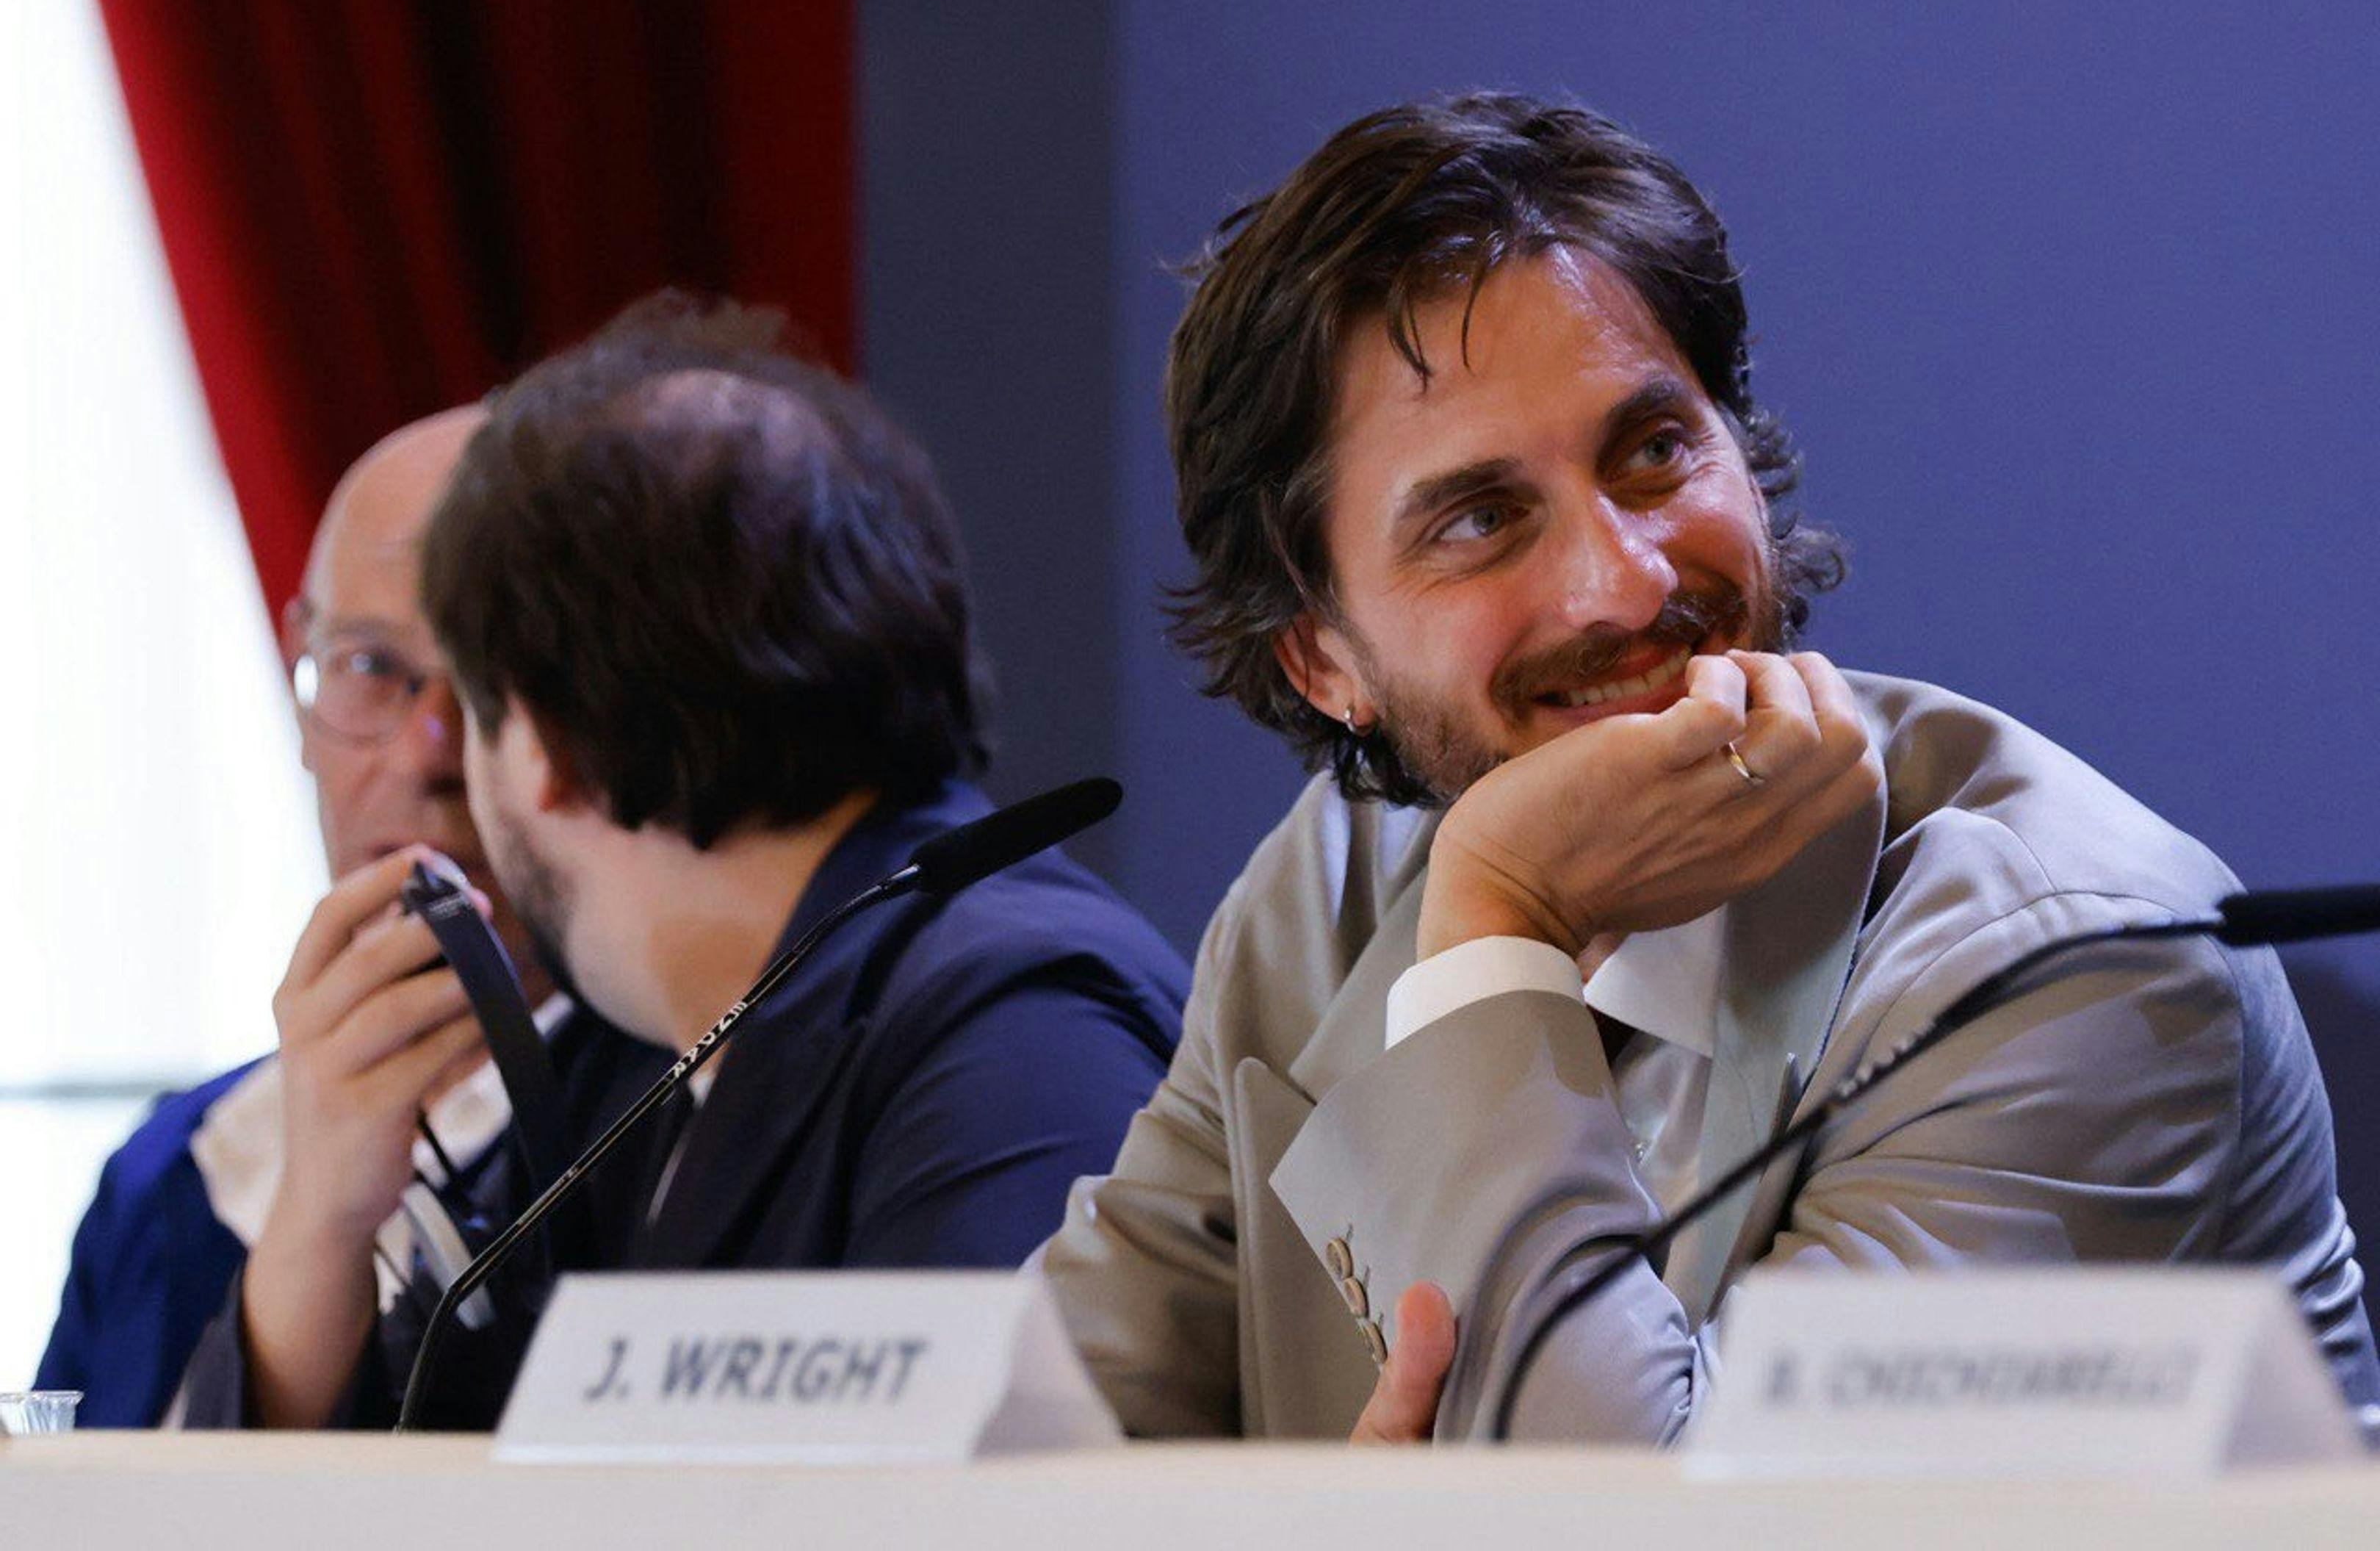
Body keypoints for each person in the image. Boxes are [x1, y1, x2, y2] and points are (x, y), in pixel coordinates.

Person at [1036, 93, 2380, 1442]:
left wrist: (1502, 923)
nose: (1622, 585)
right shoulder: (1322, 891)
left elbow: (1626, 1530)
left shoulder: (2071, 962)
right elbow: (1019, 1461)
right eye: (1484, 520)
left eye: (1654, 451)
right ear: (1321, 663)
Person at [181, 292, 1187, 1431]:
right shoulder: (643, 1059)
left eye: (470, 704)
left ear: (545, 749)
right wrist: (323, 1218)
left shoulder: (1020, 1033)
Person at [36, 406, 567, 1427]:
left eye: (493, 684)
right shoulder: (169, 1169)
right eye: (369, 666)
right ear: (299, 677)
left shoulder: (657, 1127)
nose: (427, 753)